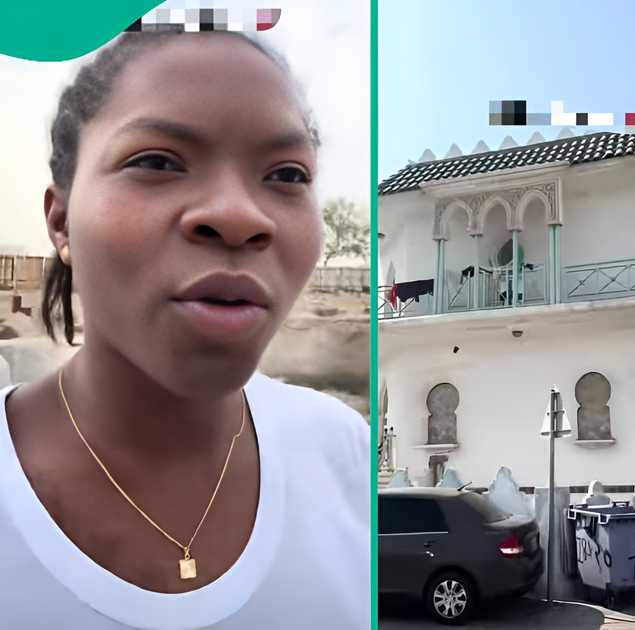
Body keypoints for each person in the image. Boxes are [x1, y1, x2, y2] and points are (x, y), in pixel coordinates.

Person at [0, 31, 370, 628]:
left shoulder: (340, 452)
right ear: (62, 221)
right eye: (157, 162)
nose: (238, 215)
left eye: (286, 175)